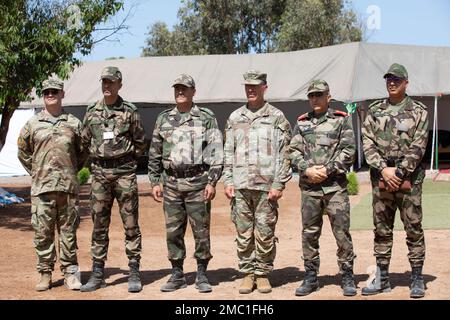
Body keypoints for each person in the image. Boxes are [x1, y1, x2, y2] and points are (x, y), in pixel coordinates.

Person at [148, 74, 223, 293]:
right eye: (177, 88)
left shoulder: (206, 117)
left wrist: (212, 181)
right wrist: (154, 180)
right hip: (171, 184)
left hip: (198, 183)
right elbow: (154, 151)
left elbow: (215, 152)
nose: (180, 92)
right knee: (173, 231)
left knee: (201, 230)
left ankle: (201, 273)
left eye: (184, 88)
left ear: (193, 92)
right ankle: (177, 274)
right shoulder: (163, 118)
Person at [361, 63, 429, 298]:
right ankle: (382, 280)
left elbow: (419, 146)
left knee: (413, 228)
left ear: (406, 83)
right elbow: (367, 142)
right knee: (381, 230)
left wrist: (399, 172)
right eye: (389, 78)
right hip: (381, 179)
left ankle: (417, 279)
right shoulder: (375, 110)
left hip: (409, 180)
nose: (392, 82)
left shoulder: (419, 111)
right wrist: (384, 169)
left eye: (397, 79)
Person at [223, 70, 292, 294]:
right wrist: (228, 179)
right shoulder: (235, 118)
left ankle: (262, 274)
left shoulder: (277, 117)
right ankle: (247, 274)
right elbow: (228, 151)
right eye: (247, 86)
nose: (251, 90)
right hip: (241, 186)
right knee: (243, 233)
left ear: (265, 87)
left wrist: (279, 183)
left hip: (266, 186)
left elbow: (285, 153)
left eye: (255, 86)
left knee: (264, 232)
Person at [80, 66, 146, 293]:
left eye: (111, 82)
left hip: (124, 174)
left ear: (119, 84)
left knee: (130, 225)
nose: (106, 86)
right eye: (104, 82)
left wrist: (124, 162)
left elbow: (140, 142)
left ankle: (134, 271)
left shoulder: (129, 111)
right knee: (99, 225)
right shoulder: (91, 112)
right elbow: (84, 141)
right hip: (99, 174)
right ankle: (98, 272)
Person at [17, 78, 86, 291]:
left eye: (54, 91)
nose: (50, 94)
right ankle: (45, 273)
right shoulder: (32, 124)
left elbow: (83, 152)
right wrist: (38, 171)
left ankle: (71, 273)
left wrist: (70, 170)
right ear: (42, 95)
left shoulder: (73, 123)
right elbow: (23, 152)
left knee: (68, 232)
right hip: (42, 189)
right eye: (46, 91)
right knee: (43, 233)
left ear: (62, 94)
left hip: (67, 188)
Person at [289, 79, 357, 297]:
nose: (315, 98)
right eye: (311, 95)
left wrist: (326, 170)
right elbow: (293, 151)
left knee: (341, 233)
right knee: (309, 234)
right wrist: (307, 170)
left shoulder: (341, 120)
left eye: (319, 94)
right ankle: (310, 277)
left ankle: (347, 275)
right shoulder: (301, 123)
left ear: (329, 96)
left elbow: (348, 151)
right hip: (310, 189)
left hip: (335, 187)